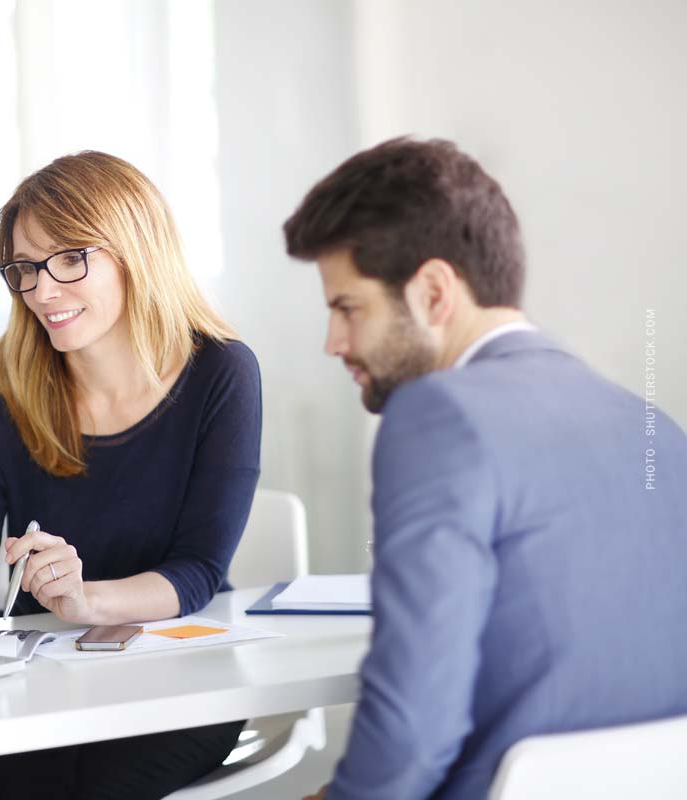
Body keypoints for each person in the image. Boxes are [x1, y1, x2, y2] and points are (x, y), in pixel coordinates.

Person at [282, 137, 687, 799]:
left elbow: (415, 730)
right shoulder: (653, 426)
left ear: (434, 292)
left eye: (347, 308)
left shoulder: (437, 414)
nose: (334, 343)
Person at [0, 150, 262, 799]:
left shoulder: (220, 374)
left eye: (70, 259)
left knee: (102, 785)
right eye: (24, 268)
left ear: (135, 250)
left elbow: (197, 572)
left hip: (179, 679)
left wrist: (85, 600)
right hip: (38, 686)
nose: (42, 290)